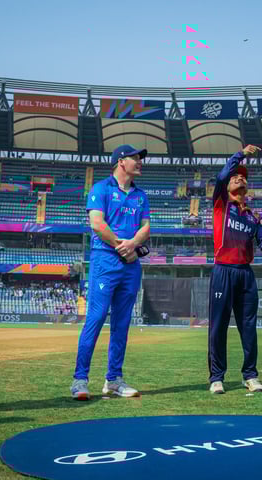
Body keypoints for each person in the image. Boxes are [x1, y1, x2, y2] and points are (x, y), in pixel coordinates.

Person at [71, 145, 150, 400]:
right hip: (106, 260)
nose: (139, 162)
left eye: (140, 158)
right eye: (135, 158)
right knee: (95, 318)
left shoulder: (141, 195)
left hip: (130, 264)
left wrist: (133, 245)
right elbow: (97, 224)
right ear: (120, 162)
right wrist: (121, 245)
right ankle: (80, 380)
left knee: (122, 323)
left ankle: (113, 380)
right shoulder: (101, 189)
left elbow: (145, 228)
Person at [207, 145, 262, 394]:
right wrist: (240, 154)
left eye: (244, 176)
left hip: (245, 275)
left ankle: (250, 375)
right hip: (223, 271)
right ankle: (217, 377)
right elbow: (220, 177)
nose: (240, 177)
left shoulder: (253, 217)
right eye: (236, 175)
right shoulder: (221, 205)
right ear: (227, 186)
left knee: (248, 326)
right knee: (218, 326)